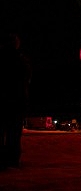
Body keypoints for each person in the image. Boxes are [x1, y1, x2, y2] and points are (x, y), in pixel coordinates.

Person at [0, 32, 31, 169]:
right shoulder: (21, 60)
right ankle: (12, 159)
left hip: (4, 101)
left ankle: (3, 159)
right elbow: (26, 78)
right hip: (16, 101)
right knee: (14, 133)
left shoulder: (3, 59)